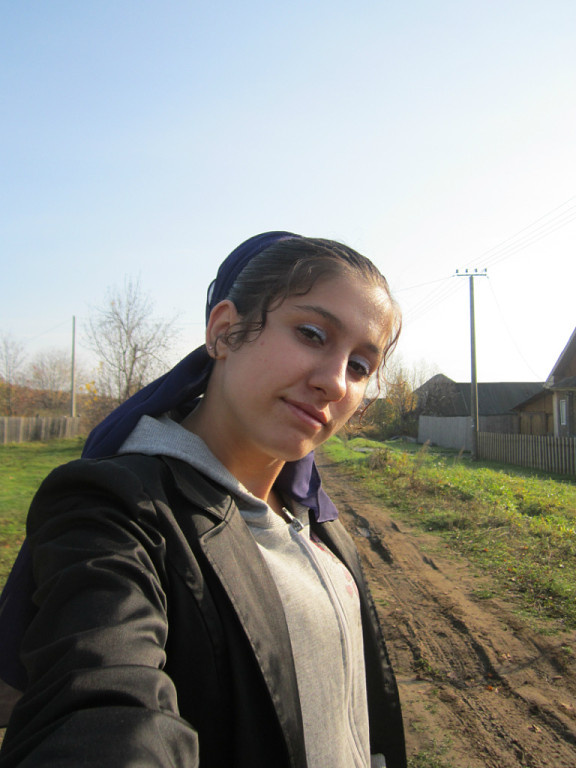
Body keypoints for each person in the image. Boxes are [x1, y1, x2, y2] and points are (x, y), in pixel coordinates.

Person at [0, 232, 407, 768]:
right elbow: (105, 706)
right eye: (312, 334)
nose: (335, 383)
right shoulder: (117, 512)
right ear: (224, 331)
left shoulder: (315, 519)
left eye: (360, 367)